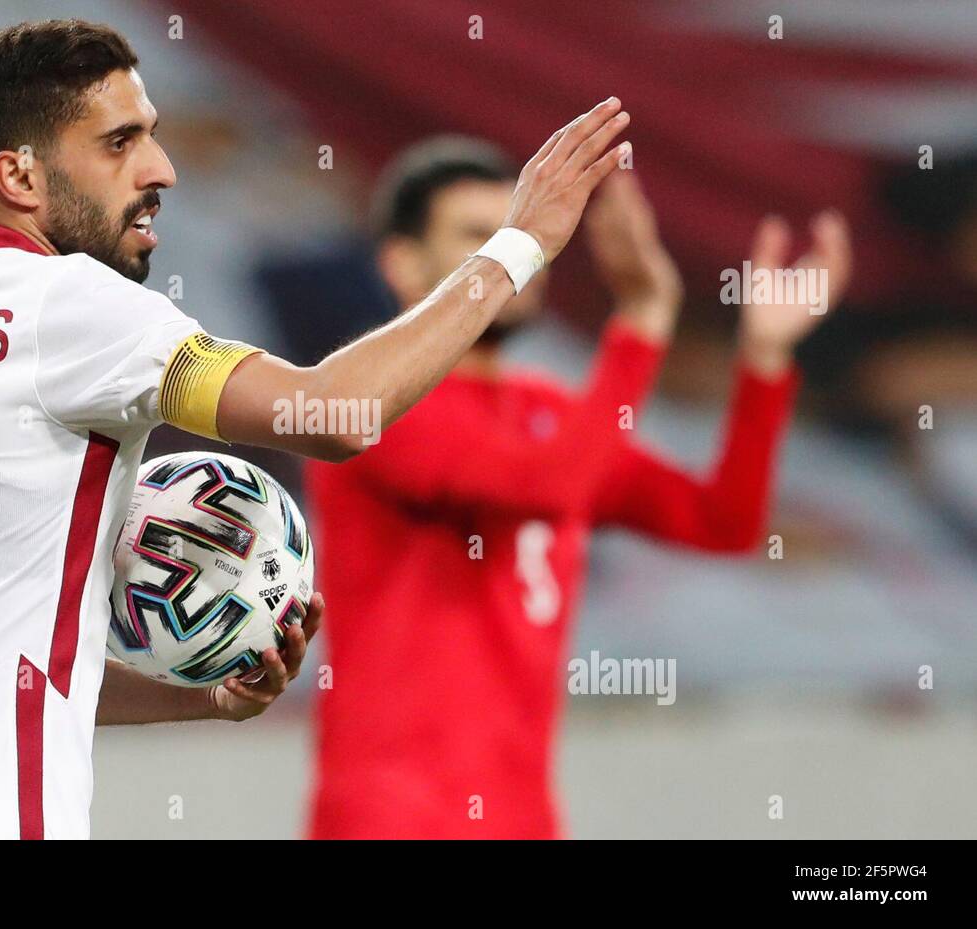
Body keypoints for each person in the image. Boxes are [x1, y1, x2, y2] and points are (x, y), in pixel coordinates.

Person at [0, 20, 632, 838]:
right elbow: (332, 414)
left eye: (153, 137)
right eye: (119, 142)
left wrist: (201, 698)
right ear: (20, 175)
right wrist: (518, 246)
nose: (159, 169)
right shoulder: (72, 306)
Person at [305, 137, 852, 839]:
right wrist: (643, 317)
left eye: (526, 234)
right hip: (394, 815)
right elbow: (549, 486)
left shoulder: (552, 415)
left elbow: (722, 522)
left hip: (524, 816)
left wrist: (765, 358)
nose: (519, 258)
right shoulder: (374, 408)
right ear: (403, 264)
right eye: (484, 238)